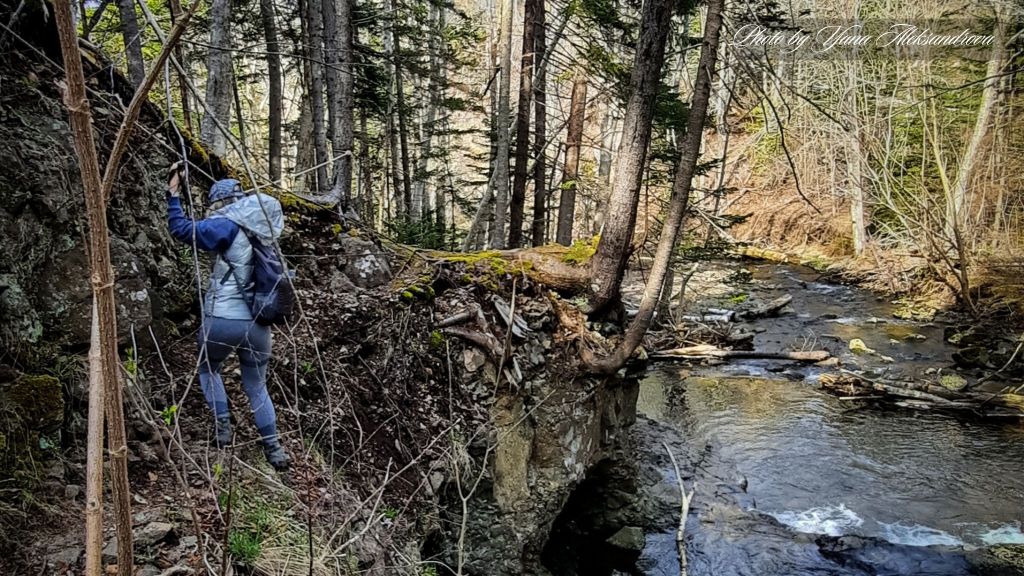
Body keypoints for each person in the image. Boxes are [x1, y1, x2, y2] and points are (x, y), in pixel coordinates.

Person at [166, 162, 290, 471]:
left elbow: (181, 230)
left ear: (221, 204)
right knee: (256, 385)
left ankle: (223, 427)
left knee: (208, 369)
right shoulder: (264, 231)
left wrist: (173, 195)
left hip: (221, 320)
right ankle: (273, 448)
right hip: (259, 325)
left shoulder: (225, 225)